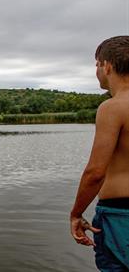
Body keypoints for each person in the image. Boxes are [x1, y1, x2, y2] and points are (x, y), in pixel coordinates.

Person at [70, 36, 129, 270]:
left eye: (96, 64)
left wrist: (76, 213)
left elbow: (95, 172)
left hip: (120, 216)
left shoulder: (113, 107)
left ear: (107, 65)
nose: (96, 70)